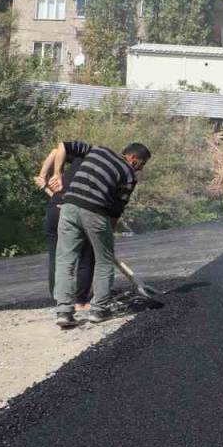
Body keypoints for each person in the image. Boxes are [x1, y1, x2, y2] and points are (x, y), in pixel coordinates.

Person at [53, 141, 152, 328]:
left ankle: (64, 312)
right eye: (142, 163)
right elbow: (116, 210)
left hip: (69, 207)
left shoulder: (97, 150)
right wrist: (106, 237)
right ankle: (99, 310)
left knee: (65, 260)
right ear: (132, 157)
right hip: (96, 213)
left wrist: (57, 173)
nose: (140, 168)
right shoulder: (129, 175)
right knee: (104, 261)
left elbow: (63, 145)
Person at [35, 142, 95, 310]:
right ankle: (80, 301)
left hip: (54, 209)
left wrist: (43, 178)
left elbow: (56, 150)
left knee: (56, 257)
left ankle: (59, 300)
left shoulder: (75, 163)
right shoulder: (94, 167)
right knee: (86, 255)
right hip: (74, 212)